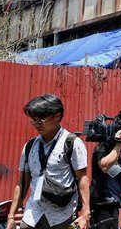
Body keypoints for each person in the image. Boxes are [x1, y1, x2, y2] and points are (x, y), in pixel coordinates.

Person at [6, 94, 90, 229]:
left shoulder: (72, 143)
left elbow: (82, 179)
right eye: (34, 121)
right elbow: (22, 183)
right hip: (33, 214)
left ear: (57, 116)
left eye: (41, 120)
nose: (36, 125)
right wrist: (11, 216)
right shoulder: (30, 146)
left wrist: (85, 214)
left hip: (62, 215)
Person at [90, 109, 121, 229]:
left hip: (114, 201)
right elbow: (104, 166)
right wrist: (118, 144)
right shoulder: (103, 146)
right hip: (102, 202)